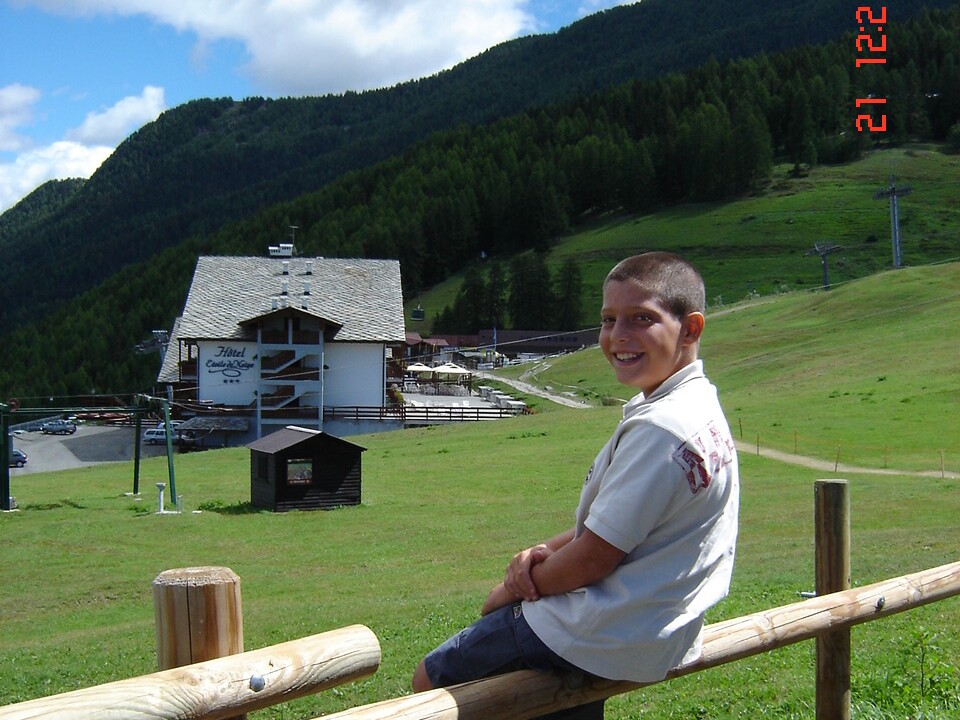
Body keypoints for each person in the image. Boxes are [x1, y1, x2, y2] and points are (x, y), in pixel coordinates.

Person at [412, 252, 740, 719]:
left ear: (690, 329)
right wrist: (540, 553)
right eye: (608, 319)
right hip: (652, 627)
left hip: (599, 630)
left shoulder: (661, 429)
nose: (618, 335)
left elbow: (593, 558)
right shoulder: (699, 406)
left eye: (641, 318)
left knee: (429, 684)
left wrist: (515, 589)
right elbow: (616, 527)